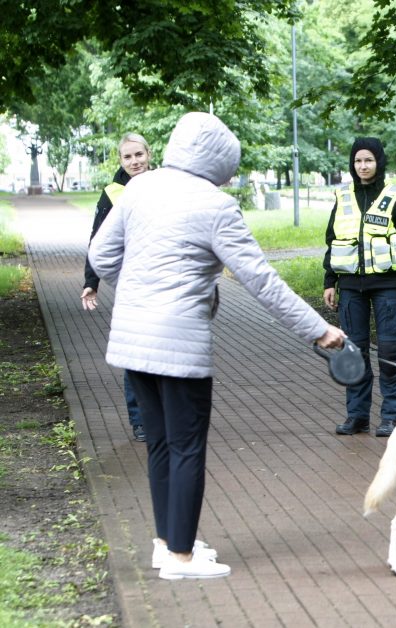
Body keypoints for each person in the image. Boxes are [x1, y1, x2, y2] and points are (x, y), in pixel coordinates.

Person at [88, 112, 345, 580]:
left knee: (161, 445)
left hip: (132, 340)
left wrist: (141, 286)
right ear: (219, 163)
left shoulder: (140, 188)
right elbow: (260, 281)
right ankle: (182, 559)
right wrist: (317, 329)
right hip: (180, 343)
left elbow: (101, 256)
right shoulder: (217, 206)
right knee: (187, 447)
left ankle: (166, 543)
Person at [323, 137, 396, 438]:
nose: (363, 166)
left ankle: (391, 417)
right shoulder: (343, 196)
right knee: (355, 352)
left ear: (379, 162)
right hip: (351, 286)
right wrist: (330, 282)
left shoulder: (394, 196)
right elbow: (332, 241)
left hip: (389, 286)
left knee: (389, 352)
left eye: (368, 160)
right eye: (357, 161)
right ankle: (357, 416)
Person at [81, 133, 153, 443]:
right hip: (131, 280)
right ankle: (140, 420)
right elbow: (97, 240)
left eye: (139, 154)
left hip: (164, 278)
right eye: (128, 157)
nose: (135, 161)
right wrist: (91, 282)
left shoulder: (164, 183)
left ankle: (164, 415)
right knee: (135, 350)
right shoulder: (113, 193)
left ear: (148, 154)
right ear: (120, 161)